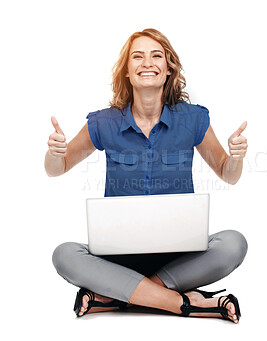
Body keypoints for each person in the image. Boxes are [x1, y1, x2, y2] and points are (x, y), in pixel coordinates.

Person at [45, 28, 248, 323]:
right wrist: (54, 153)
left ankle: (120, 297)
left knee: (233, 243)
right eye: (137, 57)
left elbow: (228, 174)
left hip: (179, 259)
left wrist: (237, 157)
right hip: (118, 259)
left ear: (168, 69)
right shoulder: (104, 122)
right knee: (64, 254)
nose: (147, 62)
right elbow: (57, 168)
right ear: (127, 71)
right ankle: (188, 304)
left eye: (156, 56)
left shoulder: (193, 119)